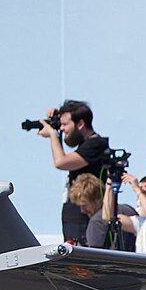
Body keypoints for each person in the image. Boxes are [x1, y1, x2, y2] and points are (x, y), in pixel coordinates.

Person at [37, 99, 112, 245]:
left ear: (81, 124)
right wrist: (56, 121)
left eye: (65, 125)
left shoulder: (96, 144)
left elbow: (61, 162)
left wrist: (52, 135)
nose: (62, 129)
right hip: (75, 214)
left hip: (85, 215)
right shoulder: (85, 144)